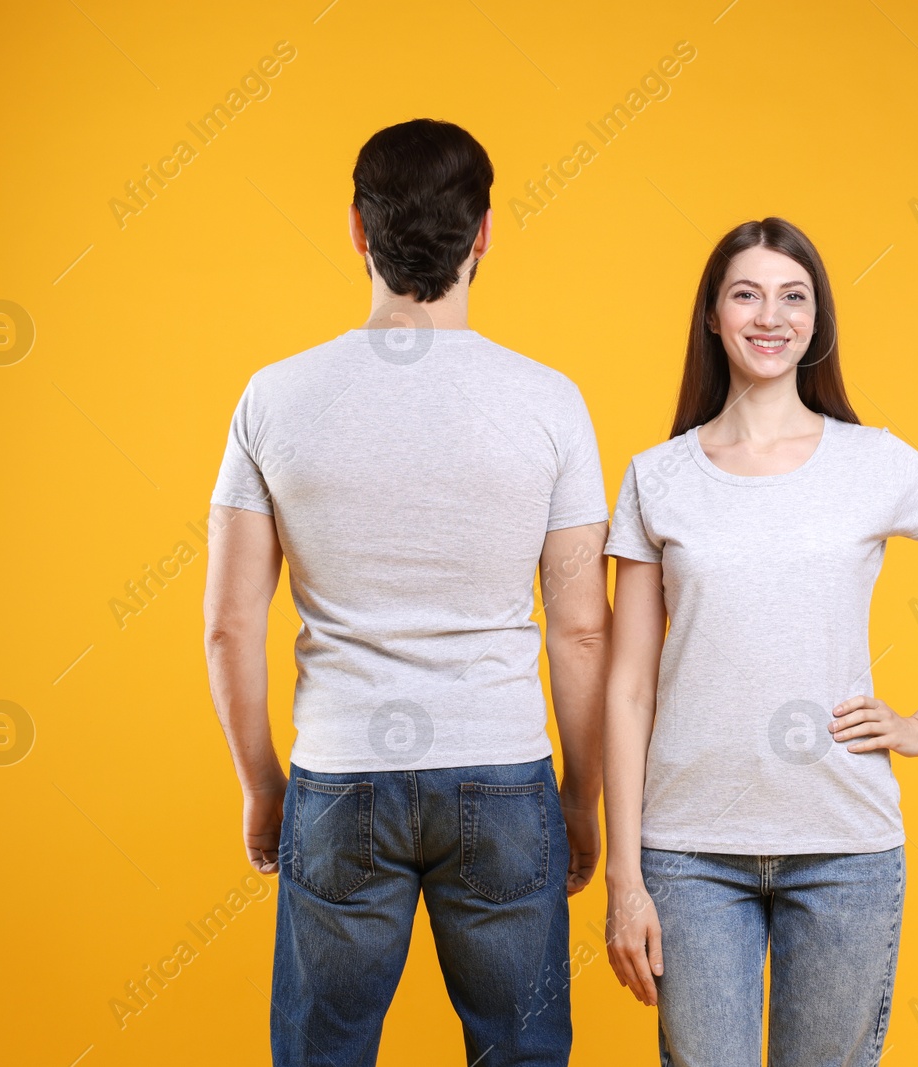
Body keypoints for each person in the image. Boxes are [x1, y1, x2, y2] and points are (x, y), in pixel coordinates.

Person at [601, 217, 918, 1066]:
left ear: (818, 320)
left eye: (793, 296)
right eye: (746, 293)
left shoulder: (874, 462)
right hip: (692, 852)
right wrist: (625, 877)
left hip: (845, 848)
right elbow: (627, 690)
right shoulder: (656, 477)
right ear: (711, 314)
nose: (770, 315)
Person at [202, 118, 611, 1067]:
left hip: (341, 774)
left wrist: (265, 786)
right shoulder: (550, 401)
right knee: (522, 1052)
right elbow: (582, 630)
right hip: (505, 774)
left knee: (322, 1054)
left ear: (357, 228)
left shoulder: (275, 397)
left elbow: (229, 626)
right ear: (485, 234)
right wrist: (581, 798)